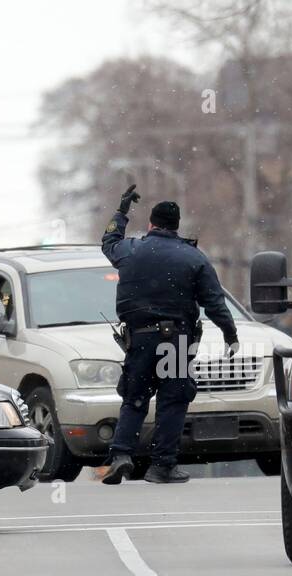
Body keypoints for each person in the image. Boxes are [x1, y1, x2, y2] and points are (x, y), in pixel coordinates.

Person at [100, 184, 238, 484]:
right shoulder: (193, 258)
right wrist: (230, 333)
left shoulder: (130, 250)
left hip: (139, 339)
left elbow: (109, 241)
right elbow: (214, 302)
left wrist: (121, 211)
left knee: (135, 397)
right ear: (176, 227)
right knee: (173, 399)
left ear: (150, 224)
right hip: (175, 342)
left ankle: (121, 454)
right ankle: (162, 465)